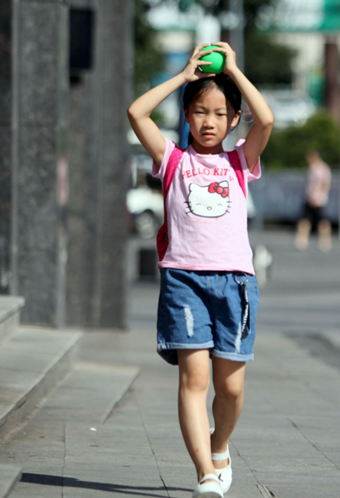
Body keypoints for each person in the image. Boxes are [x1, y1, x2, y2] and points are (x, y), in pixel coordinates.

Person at [127, 42, 274, 498]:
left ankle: (220, 446)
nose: (208, 121)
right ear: (187, 115)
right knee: (194, 380)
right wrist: (184, 75)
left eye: (219, 113)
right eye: (198, 111)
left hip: (236, 284)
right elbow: (136, 112)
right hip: (183, 280)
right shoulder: (172, 161)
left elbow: (266, 120)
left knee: (230, 390)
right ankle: (205, 475)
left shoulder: (240, 162)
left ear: (233, 120)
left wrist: (233, 69)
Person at [295, 151, 332, 251]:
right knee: (304, 220)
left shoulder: (323, 168)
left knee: (322, 221)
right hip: (309, 198)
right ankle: (302, 240)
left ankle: (325, 241)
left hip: (320, 200)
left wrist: (320, 196)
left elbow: (325, 184)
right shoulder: (312, 168)